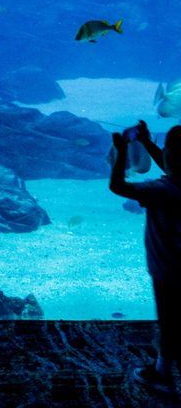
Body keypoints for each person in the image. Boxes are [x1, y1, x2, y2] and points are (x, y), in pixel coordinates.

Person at [109, 120, 181, 396]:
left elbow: (118, 186)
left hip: (167, 272)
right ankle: (163, 369)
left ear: (169, 155)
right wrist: (149, 143)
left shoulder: (160, 191)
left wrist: (120, 153)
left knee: (170, 323)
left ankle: (163, 376)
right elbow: (173, 166)